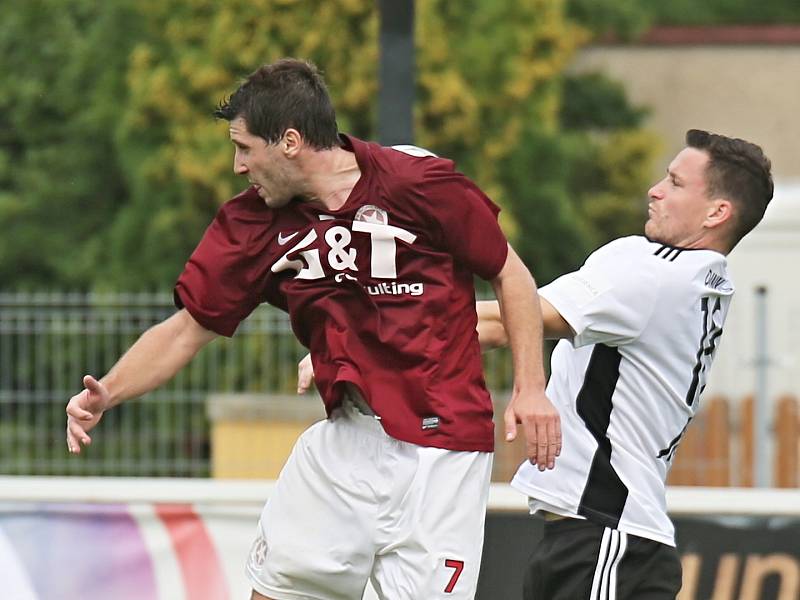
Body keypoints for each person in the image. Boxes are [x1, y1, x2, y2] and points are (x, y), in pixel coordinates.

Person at [65, 58, 561, 600]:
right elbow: (186, 330)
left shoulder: (419, 184)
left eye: (245, 147)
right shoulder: (252, 223)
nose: (236, 166)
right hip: (348, 443)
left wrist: (531, 388)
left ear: (291, 142)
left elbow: (510, 273)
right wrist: (108, 391)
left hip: (446, 456)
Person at [476, 129, 773, 599]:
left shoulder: (654, 270)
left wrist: (370, 333)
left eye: (675, 183)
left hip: (605, 538)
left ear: (718, 212)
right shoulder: (702, 282)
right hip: (608, 539)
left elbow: (505, 321)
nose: (655, 190)